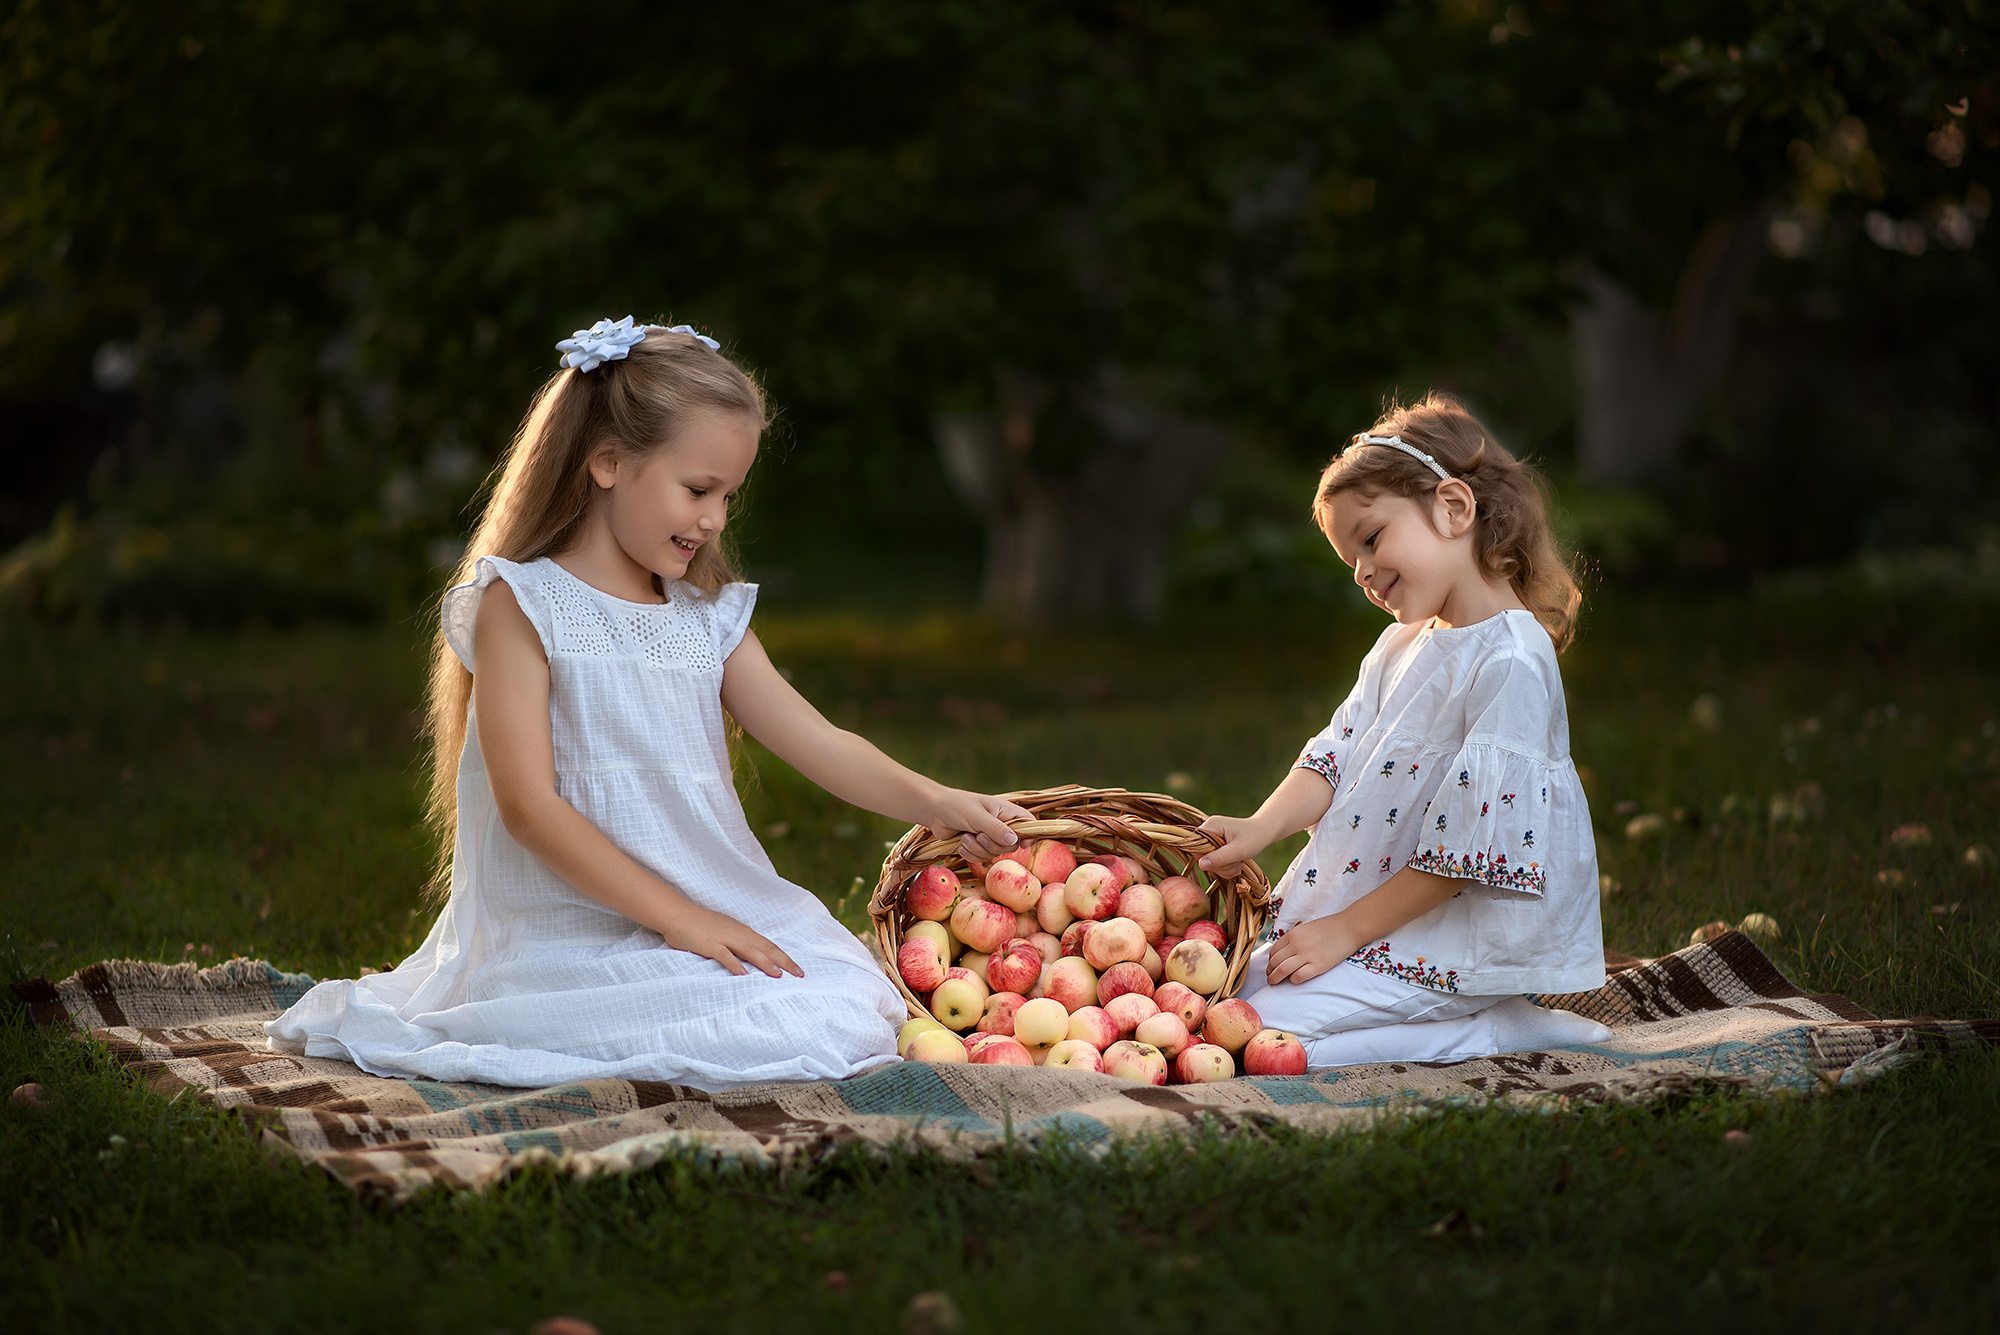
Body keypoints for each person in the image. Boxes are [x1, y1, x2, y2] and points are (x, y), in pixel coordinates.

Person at [268, 317, 1028, 1089]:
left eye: (729, 494)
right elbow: (529, 806)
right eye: (698, 489)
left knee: (840, 1002)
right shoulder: (524, 603)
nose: (716, 519)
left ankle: (706, 977)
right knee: (712, 1025)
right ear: (607, 462)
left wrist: (935, 799)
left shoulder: (707, 618)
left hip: (708, 904)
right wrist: (683, 923)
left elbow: (818, 739)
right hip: (573, 930)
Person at [1197, 393, 1612, 1068]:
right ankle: (1470, 1016)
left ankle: (1487, 1031)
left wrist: (1343, 933)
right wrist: (1261, 826)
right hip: (1368, 920)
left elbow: (1466, 850)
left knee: (1246, 1038)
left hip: (1445, 940)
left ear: (1453, 508)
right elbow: (1335, 755)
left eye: (1371, 539)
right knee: (1223, 993)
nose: (1362, 571)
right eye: (1349, 560)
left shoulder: (1511, 658)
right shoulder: (1401, 646)